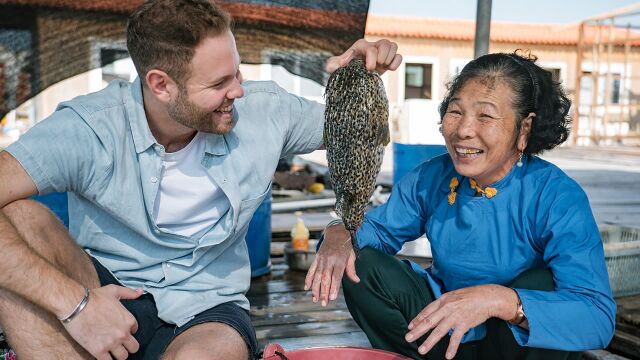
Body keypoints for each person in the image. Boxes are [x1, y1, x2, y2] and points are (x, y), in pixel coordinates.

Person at [0, 1, 402, 359]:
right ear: (161, 84)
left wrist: (358, 76)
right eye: (218, 84)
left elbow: (358, 136)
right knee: (20, 218)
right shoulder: (90, 129)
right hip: (105, 289)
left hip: (208, 310)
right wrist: (77, 305)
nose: (239, 92)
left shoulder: (267, 111)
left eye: (237, 73)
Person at [305, 50, 616, 359]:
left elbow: (597, 318)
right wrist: (338, 231)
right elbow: (374, 233)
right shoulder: (432, 177)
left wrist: (500, 301)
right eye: (455, 112)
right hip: (444, 330)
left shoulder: (556, 197)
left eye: (485, 115)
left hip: (519, 344)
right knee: (361, 265)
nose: (463, 130)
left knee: (543, 284)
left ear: (524, 129)